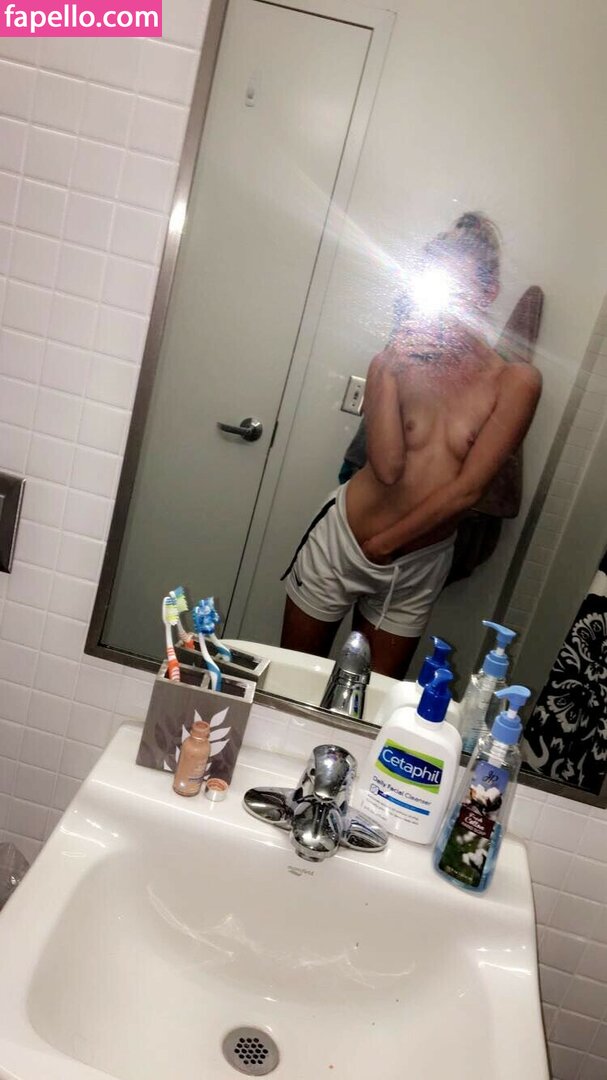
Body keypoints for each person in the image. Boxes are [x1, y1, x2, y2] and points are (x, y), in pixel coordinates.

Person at [280, 212, 542, 678]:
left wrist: (386, 546)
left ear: (488, 293)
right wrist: (387, 368)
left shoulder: (515, 382)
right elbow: (385, 467)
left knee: (374, 699)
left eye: (461, 288)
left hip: (418, 564)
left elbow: (468, 490)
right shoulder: (395, 361)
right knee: (294, 680)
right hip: (343, 539)